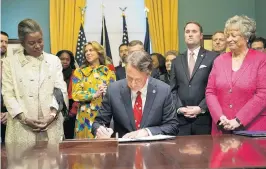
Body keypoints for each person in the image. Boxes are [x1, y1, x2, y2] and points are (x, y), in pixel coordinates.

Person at [1, 18, 67, 142]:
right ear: (22, 43)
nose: (37, 46)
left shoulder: (53, 61)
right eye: (31, 43)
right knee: (21, 160)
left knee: (52, 160)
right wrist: (24, 118)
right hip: (21, 127)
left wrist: (52, 115)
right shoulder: (10, 63)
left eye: (40, 41)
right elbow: (8, 94)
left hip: (51, 125)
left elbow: (60, 90)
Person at [92, 51, 179, 138]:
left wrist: (147, 132)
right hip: (123, 148)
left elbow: (172, 126)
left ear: (148, 74)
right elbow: (98, 122)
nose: (133, 84)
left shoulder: (163, 90)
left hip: (153, 148)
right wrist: (100, 130)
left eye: (138, 80)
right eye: (129, 78)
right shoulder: (114, 90)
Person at [206, 15, 266, 135]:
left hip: (252, 129)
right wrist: (220, 118)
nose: (229, 39)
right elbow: (210, 92)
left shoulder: (261, 59)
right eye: (227, 36)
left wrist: (239, 120)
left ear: (246, 37)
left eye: (233, 35)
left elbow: (263, 94)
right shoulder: (219, 61)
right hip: (222, 129)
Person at [170, 21, 218, 135]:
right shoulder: (176, 61)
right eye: (187, 32)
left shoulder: (213, 57)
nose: (190, 34)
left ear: (201, 36)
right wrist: (180, 108)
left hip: (204, 119)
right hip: (181, 121)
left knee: (205, 152)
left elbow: (216, 88)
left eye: (194, 31)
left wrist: (201, 108)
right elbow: (173, 89)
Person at [72, 41, 116, 139]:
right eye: (86, 51)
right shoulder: (79, 72)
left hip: (103, 115)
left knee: (103, 149)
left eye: (91, 50)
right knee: (84, 150)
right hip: (84, 118)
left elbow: (115, 95)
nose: (87, 53)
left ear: (99, 52)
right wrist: (94, 94)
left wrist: (106, 92)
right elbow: (75, 94)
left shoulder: (109, 73)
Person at [56, 50, 77, 139]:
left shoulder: (75, 73)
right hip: (56, 108)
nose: (65, 61)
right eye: (62, 59)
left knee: (69, 137)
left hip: (71, 109)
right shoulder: (53, 73)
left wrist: (73, 111)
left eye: (67, 59)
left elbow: (77, 92)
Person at [1, 31, 9, 143]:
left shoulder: (10, 64)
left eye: (6, 42)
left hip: (7, 114)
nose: (4, 44)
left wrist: (9, 113)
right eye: (1, 41)